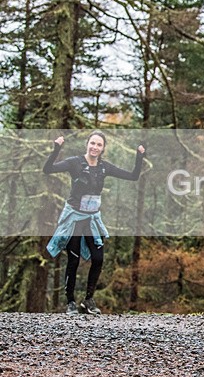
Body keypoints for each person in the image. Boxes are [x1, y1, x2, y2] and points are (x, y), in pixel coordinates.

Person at [44, 132, 145, 315]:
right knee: (73, 261)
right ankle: (71, 302)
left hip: (92, 219)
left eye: (99, 145)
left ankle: (88, 300)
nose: (95, 147)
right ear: (87, 144)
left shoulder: (104, 167)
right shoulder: (74, 162)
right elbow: (48, 169)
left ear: (103, 148)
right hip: (74, 218)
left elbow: (133, 176)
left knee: (98, 259)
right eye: (92, 143)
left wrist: (139, 156)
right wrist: (56, 149)